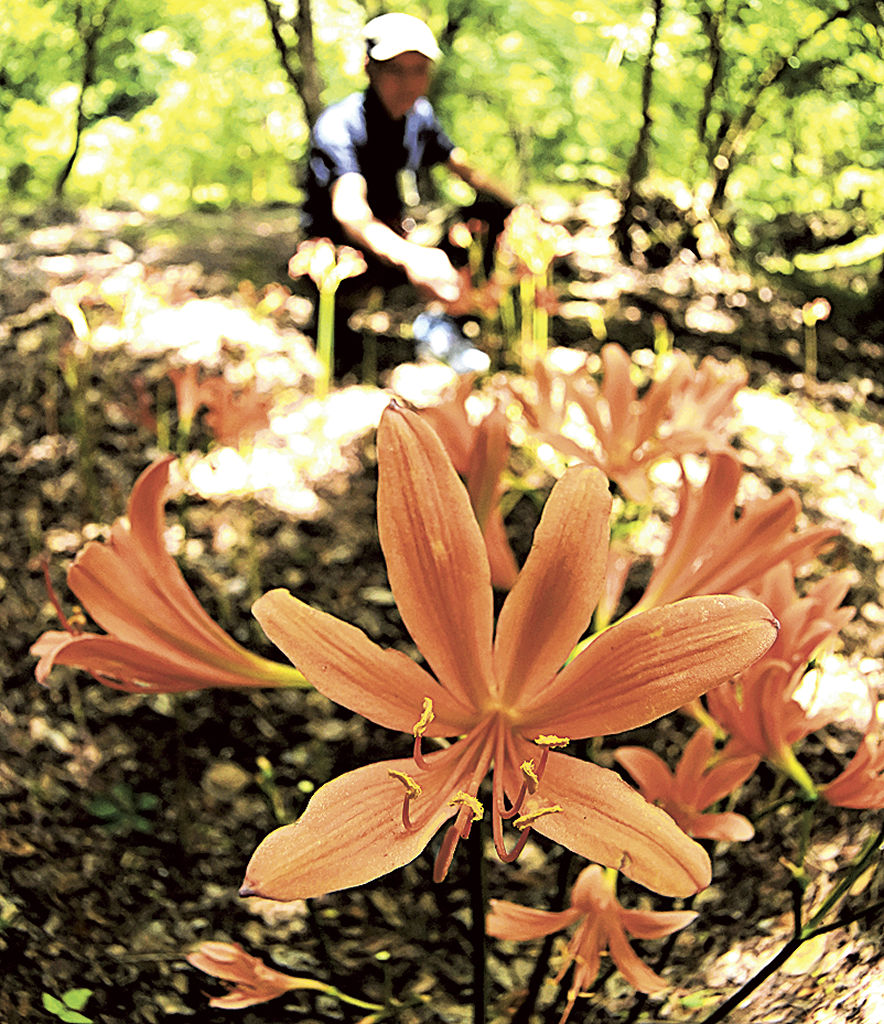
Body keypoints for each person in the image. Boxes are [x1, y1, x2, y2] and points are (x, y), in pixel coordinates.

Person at [301, 12, 515, 373]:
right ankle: (336, 333)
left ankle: (454, 318)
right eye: (396, 71)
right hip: (344, 254)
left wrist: (524, 213)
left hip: (398, 238)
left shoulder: (421, 117)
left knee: (489, 213)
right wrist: (411, 258)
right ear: (369, 69)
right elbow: (350, 211)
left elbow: (467, 170)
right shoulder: (340, 127)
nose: (410, 83)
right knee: (342, 354)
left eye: (420, 70)